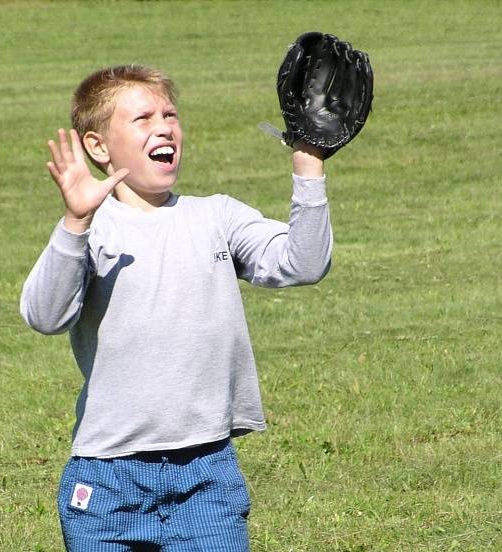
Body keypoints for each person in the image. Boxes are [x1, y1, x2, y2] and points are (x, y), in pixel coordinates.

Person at [19, 64, 332, 551]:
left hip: (205, 475)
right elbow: (45, 315)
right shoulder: (93, 232)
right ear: (98, 147)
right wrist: (74, 221)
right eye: (142, 118)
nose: (164, 126)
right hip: (108, 481)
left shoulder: (217, 217)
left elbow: (303, 263)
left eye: (170, 115)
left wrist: (309, 163)